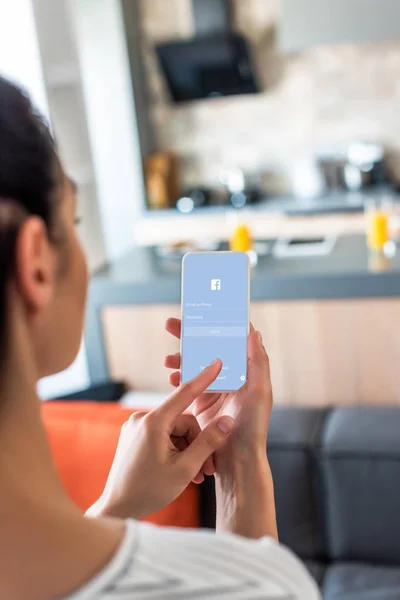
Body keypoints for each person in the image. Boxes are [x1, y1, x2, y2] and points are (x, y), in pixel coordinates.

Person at [0, 75, 320, 600]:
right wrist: (241, 464)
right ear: (36, 263)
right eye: (74, 220)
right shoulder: (255, 586)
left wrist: (112, 508)